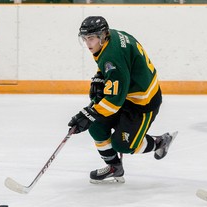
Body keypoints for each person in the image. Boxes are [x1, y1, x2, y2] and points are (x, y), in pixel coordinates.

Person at [68, 16, 177, 184]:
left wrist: (88, 114)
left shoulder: (112, 58)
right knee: (96, 126)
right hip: (127, 92)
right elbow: (113, 67)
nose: (88, 43)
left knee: (124, 145)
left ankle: (160, 142)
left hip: (143, 102)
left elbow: (114, 101)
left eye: (91, 38)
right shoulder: (111, 37)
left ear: (102, 36)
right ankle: (114, 167)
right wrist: (100, 76)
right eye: (85, 38)